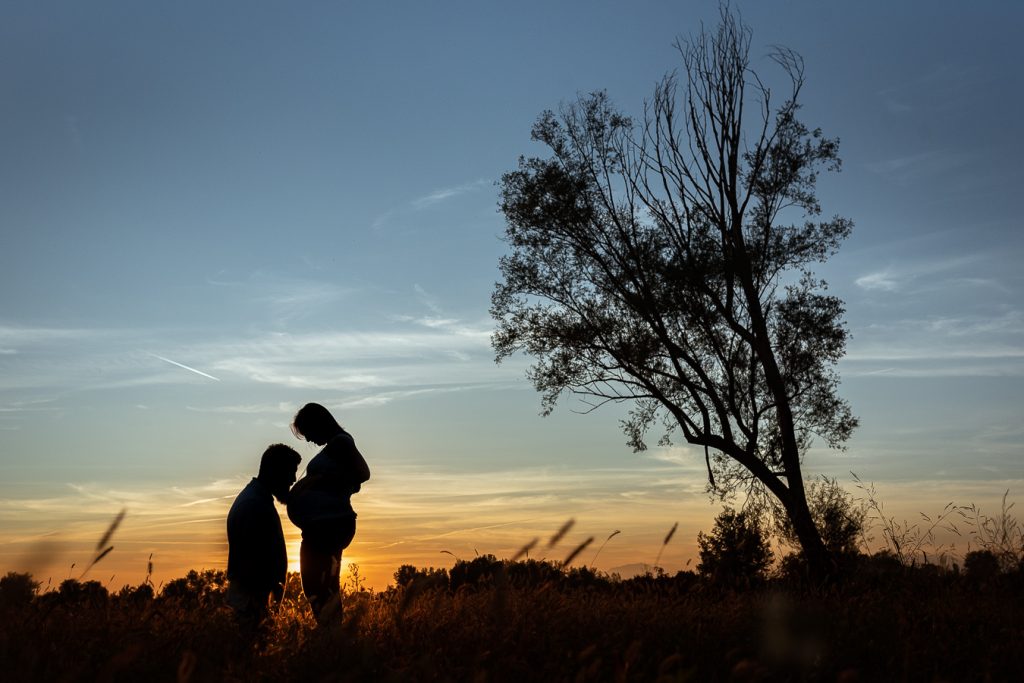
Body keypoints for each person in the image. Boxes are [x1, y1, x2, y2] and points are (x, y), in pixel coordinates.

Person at [287, 402, 370, 622]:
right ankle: (332, 636)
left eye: (309, 433)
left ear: (319, 424)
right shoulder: (335, 444)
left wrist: (319, 480)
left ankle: (332, 636)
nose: (310, 440)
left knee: (319, 587)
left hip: (329, 525)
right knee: (319, 587)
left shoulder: (341, 442)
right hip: (322, 525)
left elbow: (362, 474)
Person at [225, 443, 301, 633]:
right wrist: (267, 604)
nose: (293, 479)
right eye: (290, 472)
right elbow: (253, 564)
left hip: (253, 604)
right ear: (275, 471)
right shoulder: (254, 505)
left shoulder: (257, 500)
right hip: (251, 607)